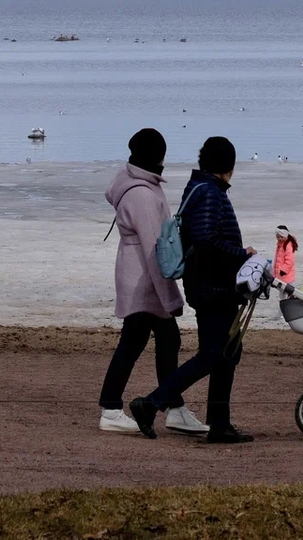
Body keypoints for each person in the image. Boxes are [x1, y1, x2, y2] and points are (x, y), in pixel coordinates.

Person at [130, 136, 257, 444]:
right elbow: (205, 240)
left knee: (227, 353)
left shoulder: (202, 189)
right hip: (212, 287)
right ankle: (150, 404)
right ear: (228, 165)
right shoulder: (210, 193)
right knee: (214, 354)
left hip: (211, 286)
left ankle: (219, 424)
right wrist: (244, 254)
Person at [97, 129, 207, 435]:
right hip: (143, 279)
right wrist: (171, 299)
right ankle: (112, 408)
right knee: (134, 341)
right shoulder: (143, 195)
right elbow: (154, 250)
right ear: (157, 156)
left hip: (136, 273)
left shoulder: (136, 184)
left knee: (165, 340)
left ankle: (172, 407)